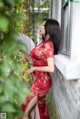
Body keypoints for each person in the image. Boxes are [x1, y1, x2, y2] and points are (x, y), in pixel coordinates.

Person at [18, 19, 61, 119]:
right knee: (35, 110)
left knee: (25, 112)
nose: (40, 27)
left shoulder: (48, 46)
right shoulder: (42, 44)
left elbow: (51, 68)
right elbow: (33, 62)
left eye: (43, 25)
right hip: (37, 80)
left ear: (49, 29)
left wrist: (34, 69)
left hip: (43, 82)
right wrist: (22, 51)